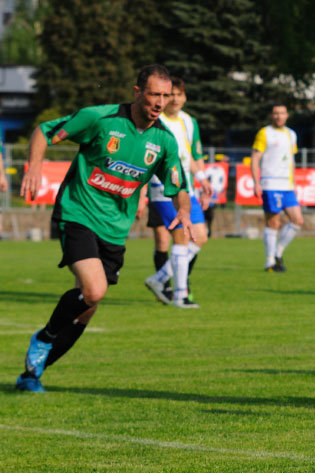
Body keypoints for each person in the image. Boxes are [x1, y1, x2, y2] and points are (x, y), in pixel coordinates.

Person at [15, 64, 193, 393]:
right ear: (138, 92)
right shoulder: (100, 118)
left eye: (166, 96)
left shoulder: (163, 140)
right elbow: (44, 131)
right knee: (94, 290)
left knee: (87, 309)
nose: (160, 102)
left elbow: (177, 182)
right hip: (78, 214)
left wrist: (183, 208)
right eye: (154, 94)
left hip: (115, 230)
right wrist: (35, 167)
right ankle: (45, 337)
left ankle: (32, 373)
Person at [144, 77, 211, 308]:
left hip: (186, 188)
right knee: (180, 239)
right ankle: (181, 295)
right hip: (162, 188)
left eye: (179, 95)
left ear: (184, 97)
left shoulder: (188, 121)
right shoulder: (156, 121)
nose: (175, 99)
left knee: (200, 237)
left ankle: (159, 279)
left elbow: (187, 155)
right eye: (170, 94)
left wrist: (202, 179)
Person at [251, 103, 303, 272]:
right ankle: (269, 262)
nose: (279, 116)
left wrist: (294, 183)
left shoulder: (291, 134)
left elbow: (290, 160)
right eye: (276, 113)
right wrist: (256, 182)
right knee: (273, 222)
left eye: (282, 113)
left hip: (287, 185)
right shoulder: (264, 133)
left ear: (287, 115)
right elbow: (255, 158)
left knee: (297, 220)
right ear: (271, 116)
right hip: (270, 183)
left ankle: (277, 252)